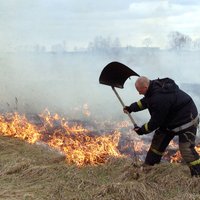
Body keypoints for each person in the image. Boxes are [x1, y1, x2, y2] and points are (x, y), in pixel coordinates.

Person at [123, 76, 200, 177]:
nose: (139, 93)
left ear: (145, 87)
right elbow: (146, 101)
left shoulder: (159, 98)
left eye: (139, 90)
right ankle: (148, 169)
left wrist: (141, 130)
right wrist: (131, 108)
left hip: (187, 120)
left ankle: (197, 176)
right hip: (170, 121)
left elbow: (155, 122)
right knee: (157, 145)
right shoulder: (154, 87)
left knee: (186, 150)